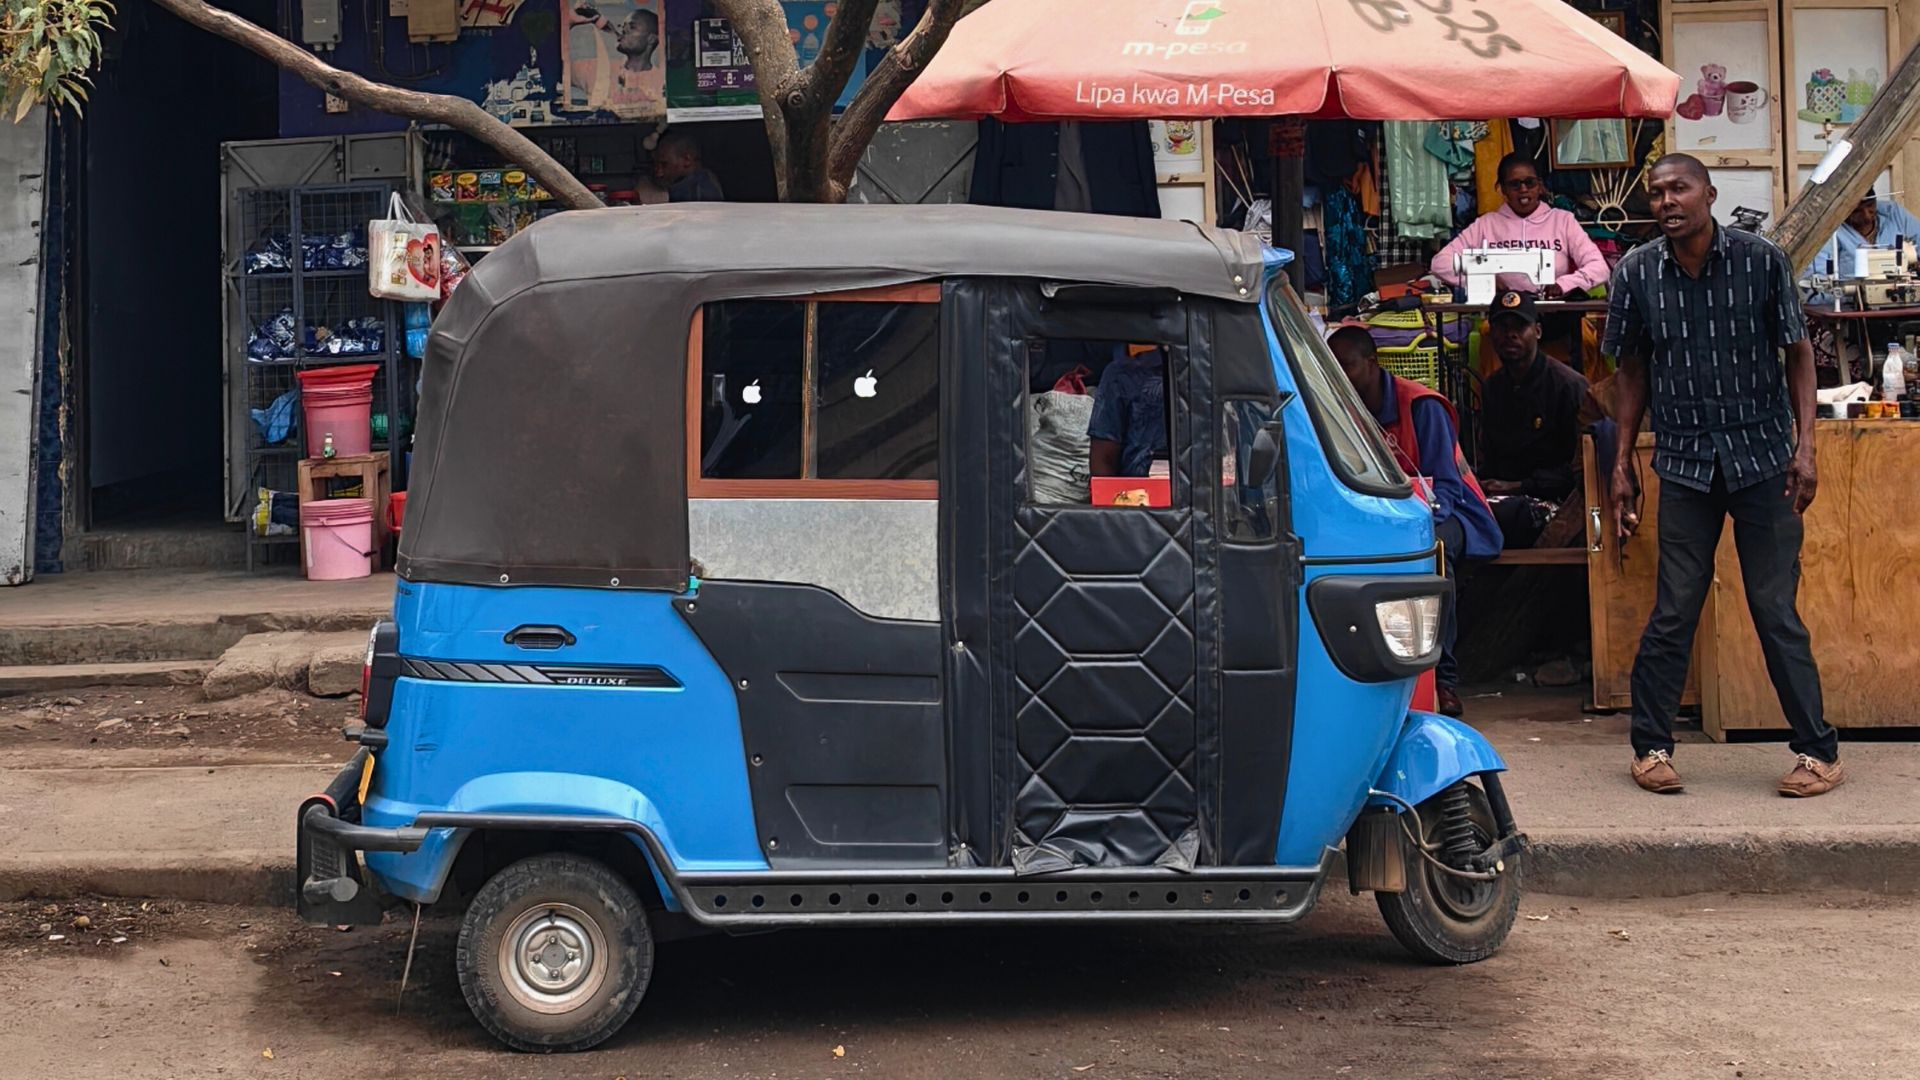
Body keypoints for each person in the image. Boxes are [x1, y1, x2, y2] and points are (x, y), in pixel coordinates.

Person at [1604, 153, 1842, 799]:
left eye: (1679, 188)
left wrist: (1807, 447)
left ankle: (1818, 753)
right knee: (1675, 607)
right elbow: (1631, 371)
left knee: (1773, 608)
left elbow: (1798, 355)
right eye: (1656, 193)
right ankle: (1651, 747)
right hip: (1682, 462)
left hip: (1763, 459)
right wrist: (1623, 460)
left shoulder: (1760, 261)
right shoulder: (1636, 273)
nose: (1666, 201)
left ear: (1709, 193)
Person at [1329, 326, 1500, 718]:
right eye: (1333, 370)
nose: (1341, 378)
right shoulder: (1344, 413)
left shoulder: (1422, 405)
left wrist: (1410, 527)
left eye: (1348, 367)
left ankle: (1444, 678)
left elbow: (1447, 488)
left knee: (1432, 553)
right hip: (1389, 519)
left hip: (1455, 514)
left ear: (1371, 364)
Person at [1479, 289, 1591, 547]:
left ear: (1537, 332)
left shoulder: (1569, 387)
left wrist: (1518, 486)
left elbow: (1580, 471)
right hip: (1504, 496)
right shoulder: (1492, 387)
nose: (1510, 334)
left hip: (1557, 501)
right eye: (1502, 326)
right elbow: (1490, 456)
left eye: (1520, 326)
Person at [1431, 154, 1610, 298]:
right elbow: (1441, 263)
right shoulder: (1486, 224)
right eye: (1514, 184)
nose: (1523, 189)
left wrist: (1563, 285)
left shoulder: (1563, 221)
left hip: (1554, 315)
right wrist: (1484, 278)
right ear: (1502, 189)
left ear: (1540, 186)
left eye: (1529, 182)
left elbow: (1599, 267)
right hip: (1504, 314)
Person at [1803, 188, 1920, 283]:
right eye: (1856, 211)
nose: (1867, 216)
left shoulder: (1893, 213)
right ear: (1842, 210)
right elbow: (1818, 288)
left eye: (1870, 206)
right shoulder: (1829, 230)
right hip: (1848, 306)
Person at [1088, 344, 1167, 477]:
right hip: (1137, 491)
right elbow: (1103, 457)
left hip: (1206, 490)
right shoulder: (1124, 374)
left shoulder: (1209, 379)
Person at [652, 131, 726, 203]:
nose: (659, 173)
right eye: (656, 164)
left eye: (664, 164)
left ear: (687, 160)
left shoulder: (701, 190)